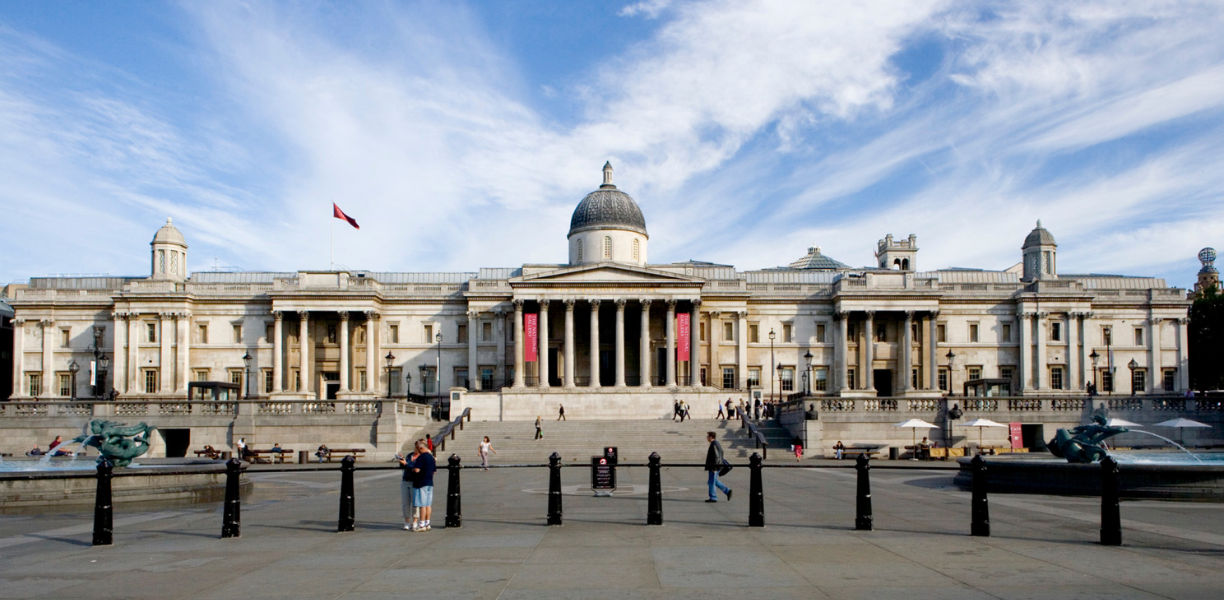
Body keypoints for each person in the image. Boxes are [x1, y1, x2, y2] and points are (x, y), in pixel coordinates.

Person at [410, 440, 437, 531]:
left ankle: (421, 524)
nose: (417, 450)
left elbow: (417, 470)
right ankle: (427, 523)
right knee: (428, 504)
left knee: (422, 505)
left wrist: (412, 469)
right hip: (429, 482)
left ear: (421, 448)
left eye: (417, 448)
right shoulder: (431, 457)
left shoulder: (421, 457)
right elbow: (434, 471)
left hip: (421, 483)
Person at [704, 432, 732, 502]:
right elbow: (721, 453)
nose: (707, 438)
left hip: (714, 466)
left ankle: (713, 497)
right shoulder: (717, 443)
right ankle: (727, 491)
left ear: (711, 437)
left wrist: (715, 467)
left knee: (711, 482)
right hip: (717, 466)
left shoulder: (713, 444)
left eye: (708, 436)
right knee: (715, 481)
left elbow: (716, 456)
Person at [396, 447, 420, 530]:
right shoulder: (409, 455)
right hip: (405, 480)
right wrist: (401, 461)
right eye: (415, 448)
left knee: (415, 502)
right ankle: (407, 521)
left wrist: (406, 464)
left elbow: (414, 468)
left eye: (417, 448)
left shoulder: (421, 457)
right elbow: (404, 467)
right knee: (405, 502)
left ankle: (415, 522)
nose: (415, 450)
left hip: (415, 481)